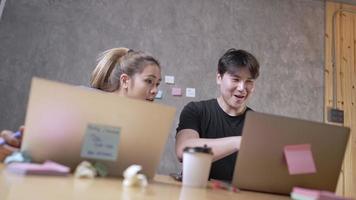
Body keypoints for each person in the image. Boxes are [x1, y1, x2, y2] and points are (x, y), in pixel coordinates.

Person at [0, 47, 162, 162]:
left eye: (158, 84)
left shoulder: (139, 124)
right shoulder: (82, 99)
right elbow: (33, 145)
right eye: (149, 81)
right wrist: (16, 144)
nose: (155, 91)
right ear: (125, 81)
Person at [175, 48, 260, 181]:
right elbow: (183, 151)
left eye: (249, 81)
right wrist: (238, 142)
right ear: (219, 78)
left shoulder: (257, 123)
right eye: (236, 79)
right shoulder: (196, 110)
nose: (242, 88)